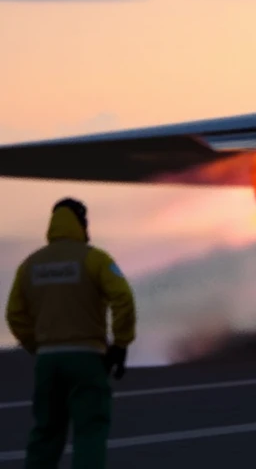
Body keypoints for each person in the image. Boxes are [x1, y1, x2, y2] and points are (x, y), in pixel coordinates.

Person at [5, 198, 136, 469]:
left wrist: (37, 346)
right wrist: (120, 344)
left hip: (48, 362)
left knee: (46, 433)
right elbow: (122, 297)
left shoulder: (30, 265)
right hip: (87, 358)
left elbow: (14, 315)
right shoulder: (94, 259)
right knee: (90, 431)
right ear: (80, 223)